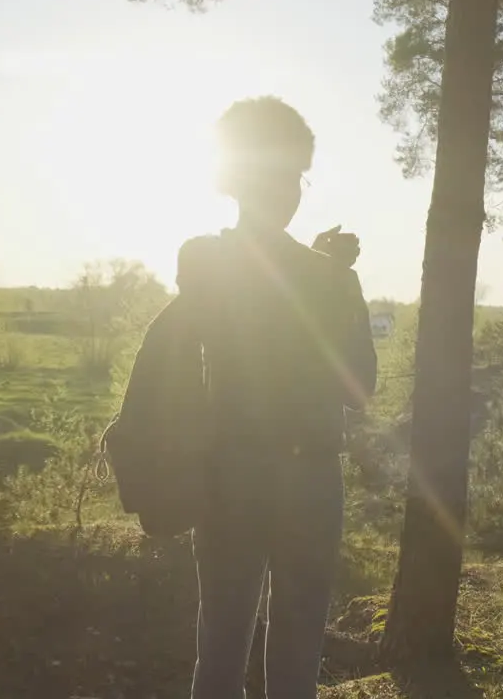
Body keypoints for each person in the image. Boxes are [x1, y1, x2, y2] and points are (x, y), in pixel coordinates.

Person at [180, 96, 376, 699]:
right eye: (293, 175)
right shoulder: (334, 279)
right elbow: (358, 387)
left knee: (221, 642)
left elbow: (249, 293)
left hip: (228, 474)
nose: (294, 188)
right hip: (311, 477)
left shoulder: (200, 257)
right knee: (297, 651)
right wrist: (336, 281)